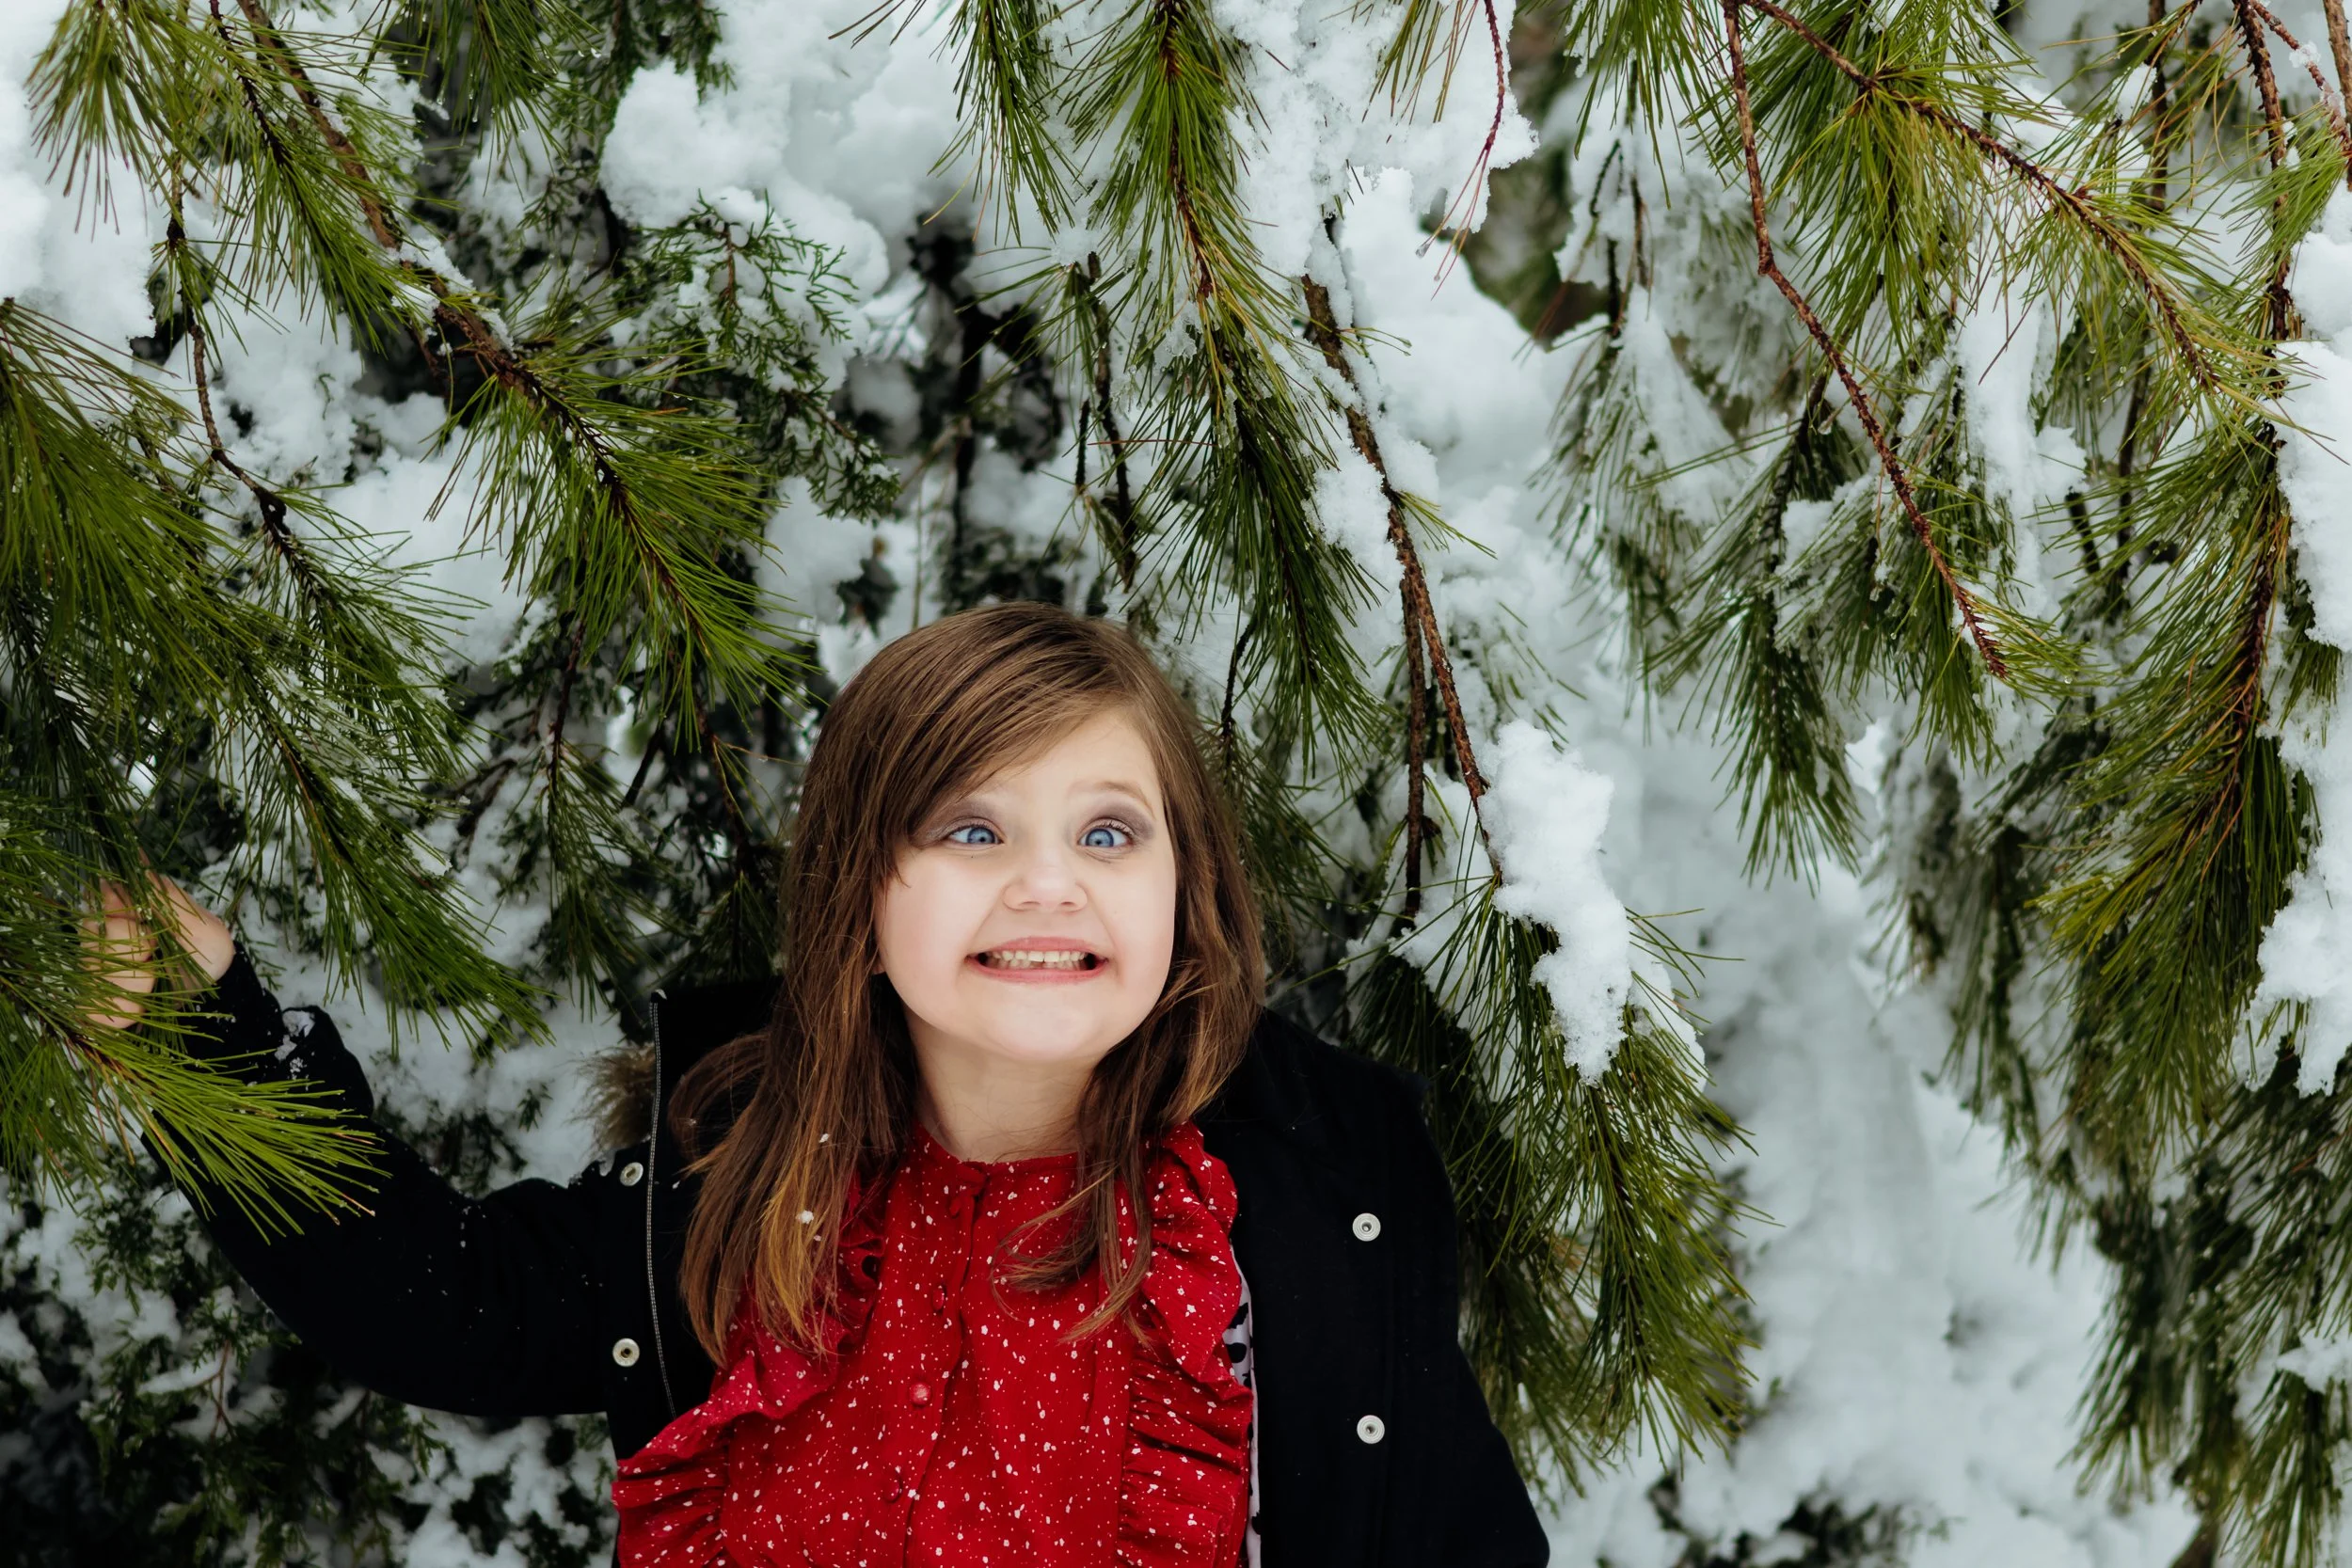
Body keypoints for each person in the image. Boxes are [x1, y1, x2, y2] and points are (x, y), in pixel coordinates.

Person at [87, 601, 1549, 1567]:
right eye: (971, 830)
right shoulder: (739, 1182)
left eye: (1110, 834)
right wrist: (200, 1031)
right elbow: (438, 1303)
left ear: (1188, 885)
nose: (1048, 884)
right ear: (859, 887)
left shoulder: (1303, 1204)